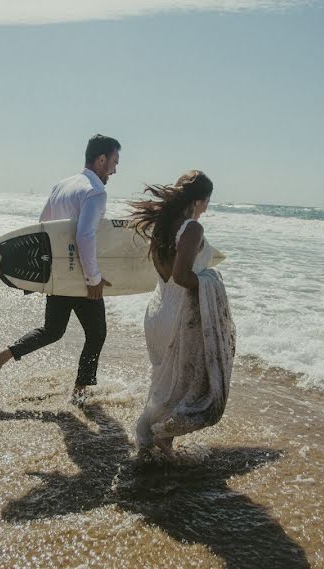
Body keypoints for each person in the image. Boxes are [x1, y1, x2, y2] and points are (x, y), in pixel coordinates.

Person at [0, 134, 120, 403]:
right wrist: (94, 278)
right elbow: (86, 236)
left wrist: (49, 273)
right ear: (101, 159)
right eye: (114, 162)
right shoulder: (95, 191)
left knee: (53, 330)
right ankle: (79, 394)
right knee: (96, 333)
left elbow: (43, 227)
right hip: (81, 276)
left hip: (58, 274)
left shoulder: (62, 186)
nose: (115, 170)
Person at [128, 170, 236, 460]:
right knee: (187, 387)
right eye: (207, 202)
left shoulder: (163, 225)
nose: (206, 209)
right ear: (200, 201)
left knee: (165, 384)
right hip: (177, 314)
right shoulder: (192, 229)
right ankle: (156, 438)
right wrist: (211, 280)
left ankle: (156, 443)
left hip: (156, 311)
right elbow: (181, 276)